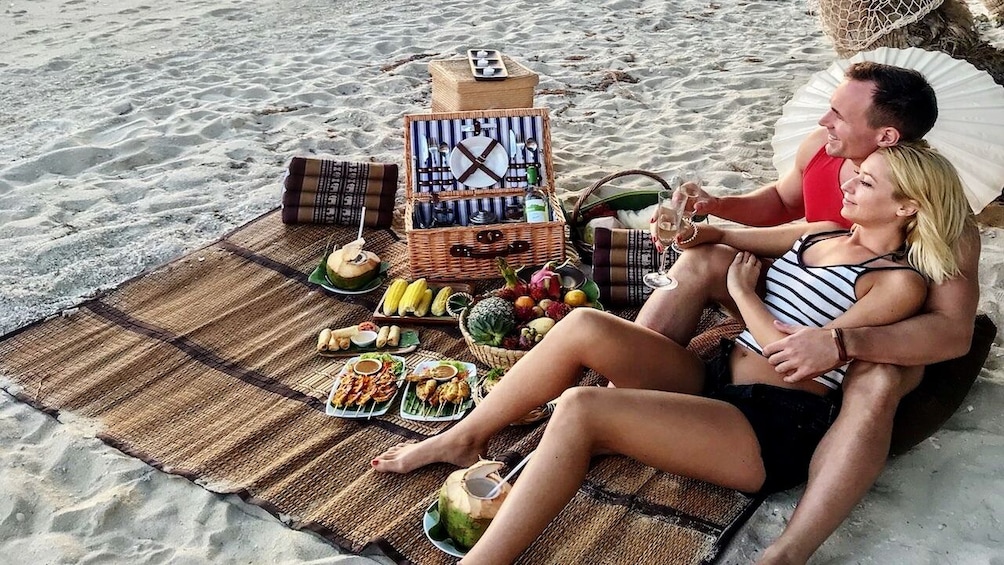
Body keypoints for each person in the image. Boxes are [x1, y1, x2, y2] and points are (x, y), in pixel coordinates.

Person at [372, 143, 972, 565]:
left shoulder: (895, 282)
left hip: (775, 421)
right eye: (854, 173)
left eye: (865, 182)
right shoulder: (816, 232)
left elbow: (795, 357)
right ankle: (466, 437)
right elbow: (729, 236)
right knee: (583, 323)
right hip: (716, 378)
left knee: (582, 409)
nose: (846, 182)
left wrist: (741, 293)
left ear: (906, 208)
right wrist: (689, 227)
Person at [636, 62, 982, 564]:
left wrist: (849, 343)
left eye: (839, 114)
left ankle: (789, 549)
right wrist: (715, 205)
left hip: (876, 322)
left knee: (878, 380)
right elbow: (779, 201)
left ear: (885, 135)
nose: (825, 120)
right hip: (800, 282)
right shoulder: (823, 151)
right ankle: (635, 386)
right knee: (701, 260)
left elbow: (952, 331)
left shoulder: (933, 207)